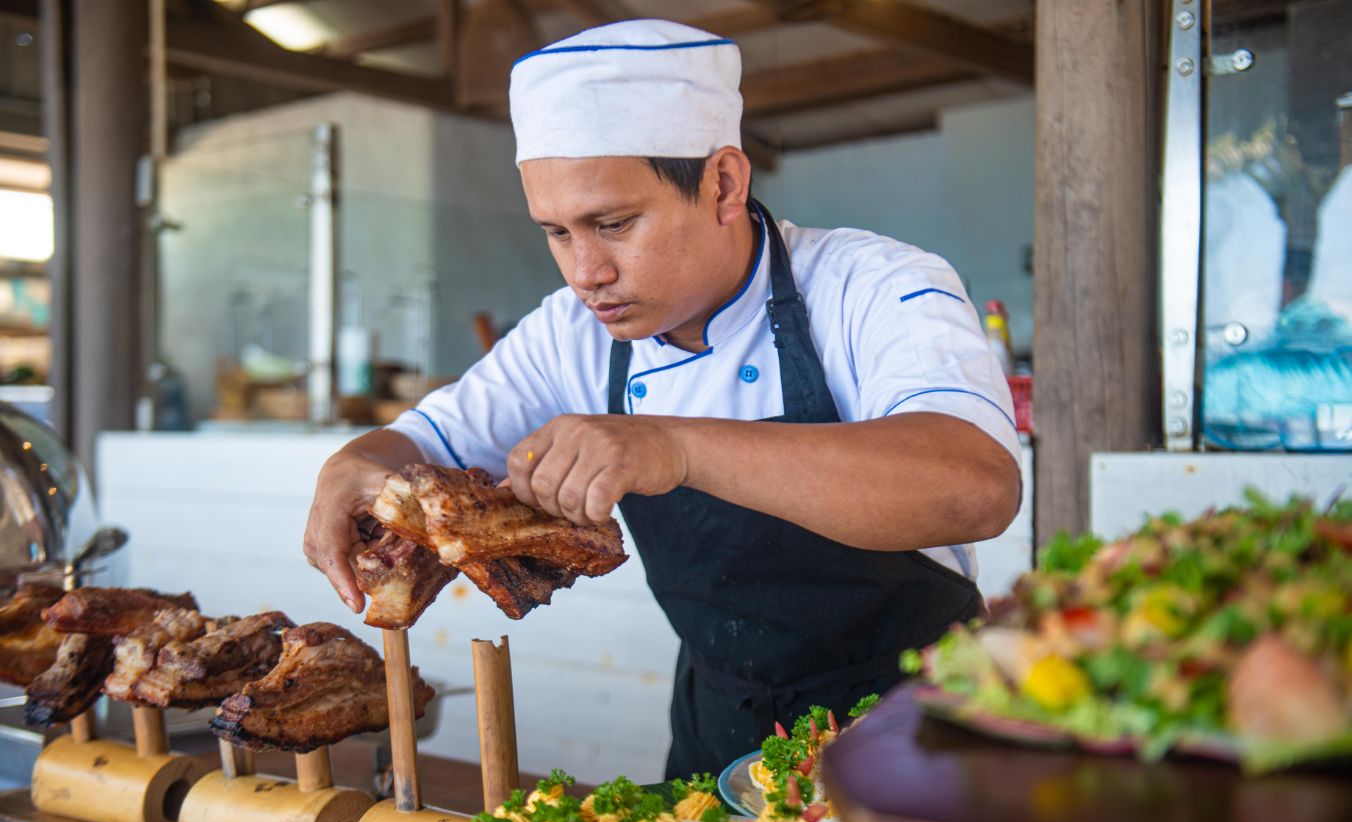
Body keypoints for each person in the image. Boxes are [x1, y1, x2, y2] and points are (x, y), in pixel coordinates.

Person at [304, 19, 1021, 777]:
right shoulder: (568, 334)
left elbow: (975, 485)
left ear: (723, 185)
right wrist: (351, 465)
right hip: (717, 745)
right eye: (556, 233)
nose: (586, 273)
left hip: (920, 743)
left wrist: (672, 446)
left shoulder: (874, 286)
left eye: (613, 224)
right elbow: (417, 446)